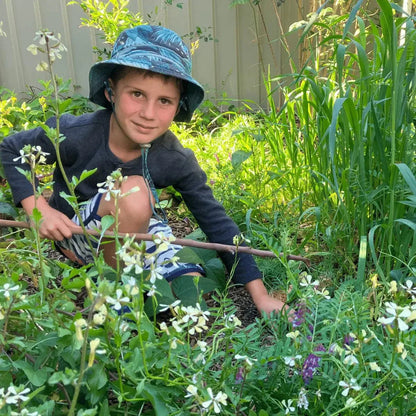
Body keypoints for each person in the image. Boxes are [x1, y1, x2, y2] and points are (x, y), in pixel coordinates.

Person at [0, 25, 285, 315]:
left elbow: (217, 222)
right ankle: (113, 294)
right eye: (137, 94)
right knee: (135, 192)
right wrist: (38, 208)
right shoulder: (76, 134)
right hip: (75, 234)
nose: (149, 114)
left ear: (178, 106)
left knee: (188, 294)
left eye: (164, 101)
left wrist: (260, 297)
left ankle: (141, 295)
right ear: (111, 91)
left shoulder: (173, 157)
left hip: (134, 232)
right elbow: (10, 149)